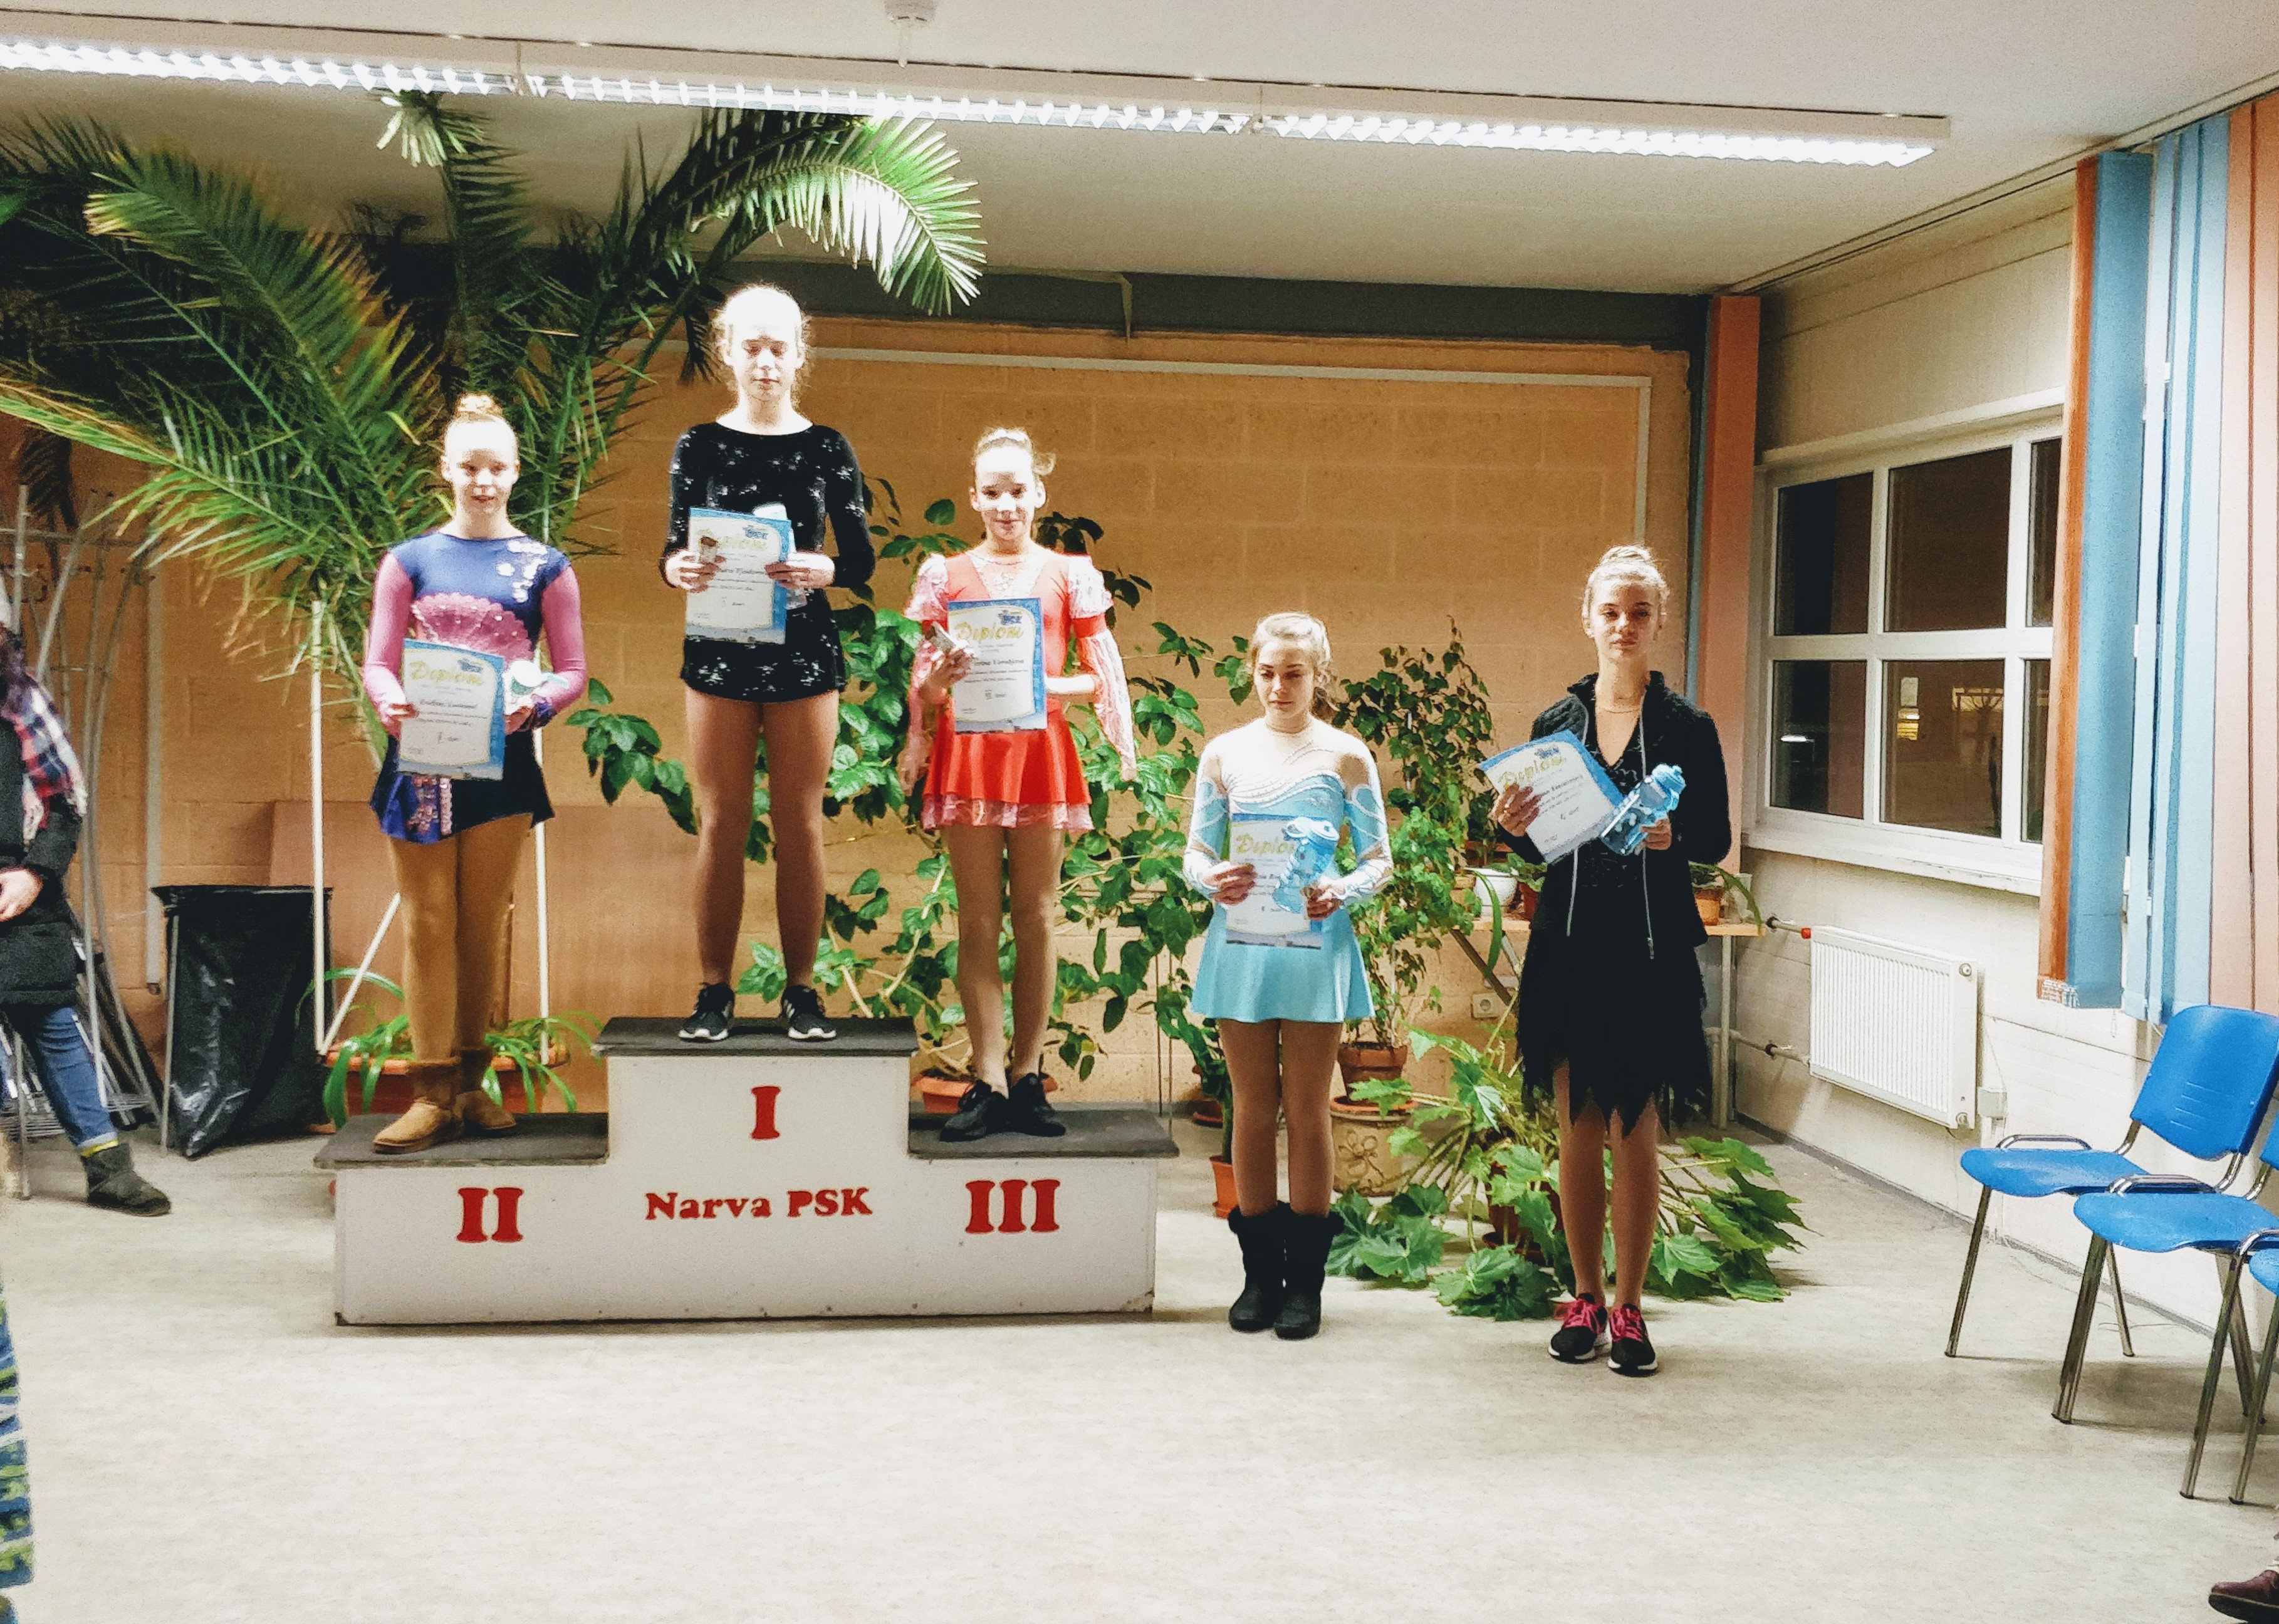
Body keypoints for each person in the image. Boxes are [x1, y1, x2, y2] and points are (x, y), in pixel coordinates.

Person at [1492, 544, 1729, 1377]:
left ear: (1658, 623)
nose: (1623, 625)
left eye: (1638, 612)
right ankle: (1584, 1297)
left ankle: (1630, 1308)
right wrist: (1509, 826)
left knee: (1634, 1126)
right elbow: (1536, 845)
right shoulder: (1554, 725)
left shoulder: (1687, 727)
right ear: (1587, 620)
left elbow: (1714, 837)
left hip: (1649, 952)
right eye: (1610, 611)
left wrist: (1672, 833)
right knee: (1576, 1125)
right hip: (1569, 946)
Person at [362, 393, 588, 1153]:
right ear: (446, 471)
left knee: (484, 923)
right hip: (423, 759)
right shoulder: (409, 560)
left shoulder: (547, 567)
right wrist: (388, 698)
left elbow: (573, 670)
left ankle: (469, 1085)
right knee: (427, 921)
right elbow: (378, 661)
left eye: (496, 468)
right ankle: (428, 1093)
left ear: (516, 472)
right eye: (469, 467)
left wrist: (537, 703)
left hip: (504, 761)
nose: (483, 481)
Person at [898, 427, 1135, 1142]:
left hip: (1040, 756)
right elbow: (925, 687)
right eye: (992, 491)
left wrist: (1040, 684)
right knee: (976, 919)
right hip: (969, 756)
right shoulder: (945, 574)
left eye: (1017, 490)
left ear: (1039, 493)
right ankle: (989, 1077)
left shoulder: (1069, 573)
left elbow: (1098, 679)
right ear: (974, 498)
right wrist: (935, 691)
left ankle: (1029, 1074)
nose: (1005, 504)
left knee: (1035, 915)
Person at [662, 284, 873, 1044]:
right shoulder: (697, 444)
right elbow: (672, 549)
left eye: (778, 347)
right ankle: (713, 990)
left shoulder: (827, 447)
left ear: (798, 354)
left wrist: (824, 568)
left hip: (804, 653)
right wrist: (677, 570)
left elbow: (860, 560)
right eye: (751, 346)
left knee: (800, 822)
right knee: (721, 821)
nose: (764, 361)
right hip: (718, 652)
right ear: (727, 352)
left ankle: (802, 991)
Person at [1183, 613, 1387, 1341]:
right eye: (1267, 672)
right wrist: (1212, 878)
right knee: (1249, 1108)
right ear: (1252, 673)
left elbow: (1378, 861)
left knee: (1306, 1110)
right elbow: (1195, 854)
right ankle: (1257, 1276)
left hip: (1314, 949)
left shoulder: (1346, 756)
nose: (1279, 686)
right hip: (1242, 946)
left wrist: (1342, 889)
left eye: (1294, 673)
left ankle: (1305, 1283)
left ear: (1317, 675)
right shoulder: (1224, 753)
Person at [0, 622, 167, 1214]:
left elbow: (64, 807)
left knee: (52, 1026)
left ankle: (108, 1171)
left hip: (24, 892)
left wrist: (34, 874)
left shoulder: (23, 706)